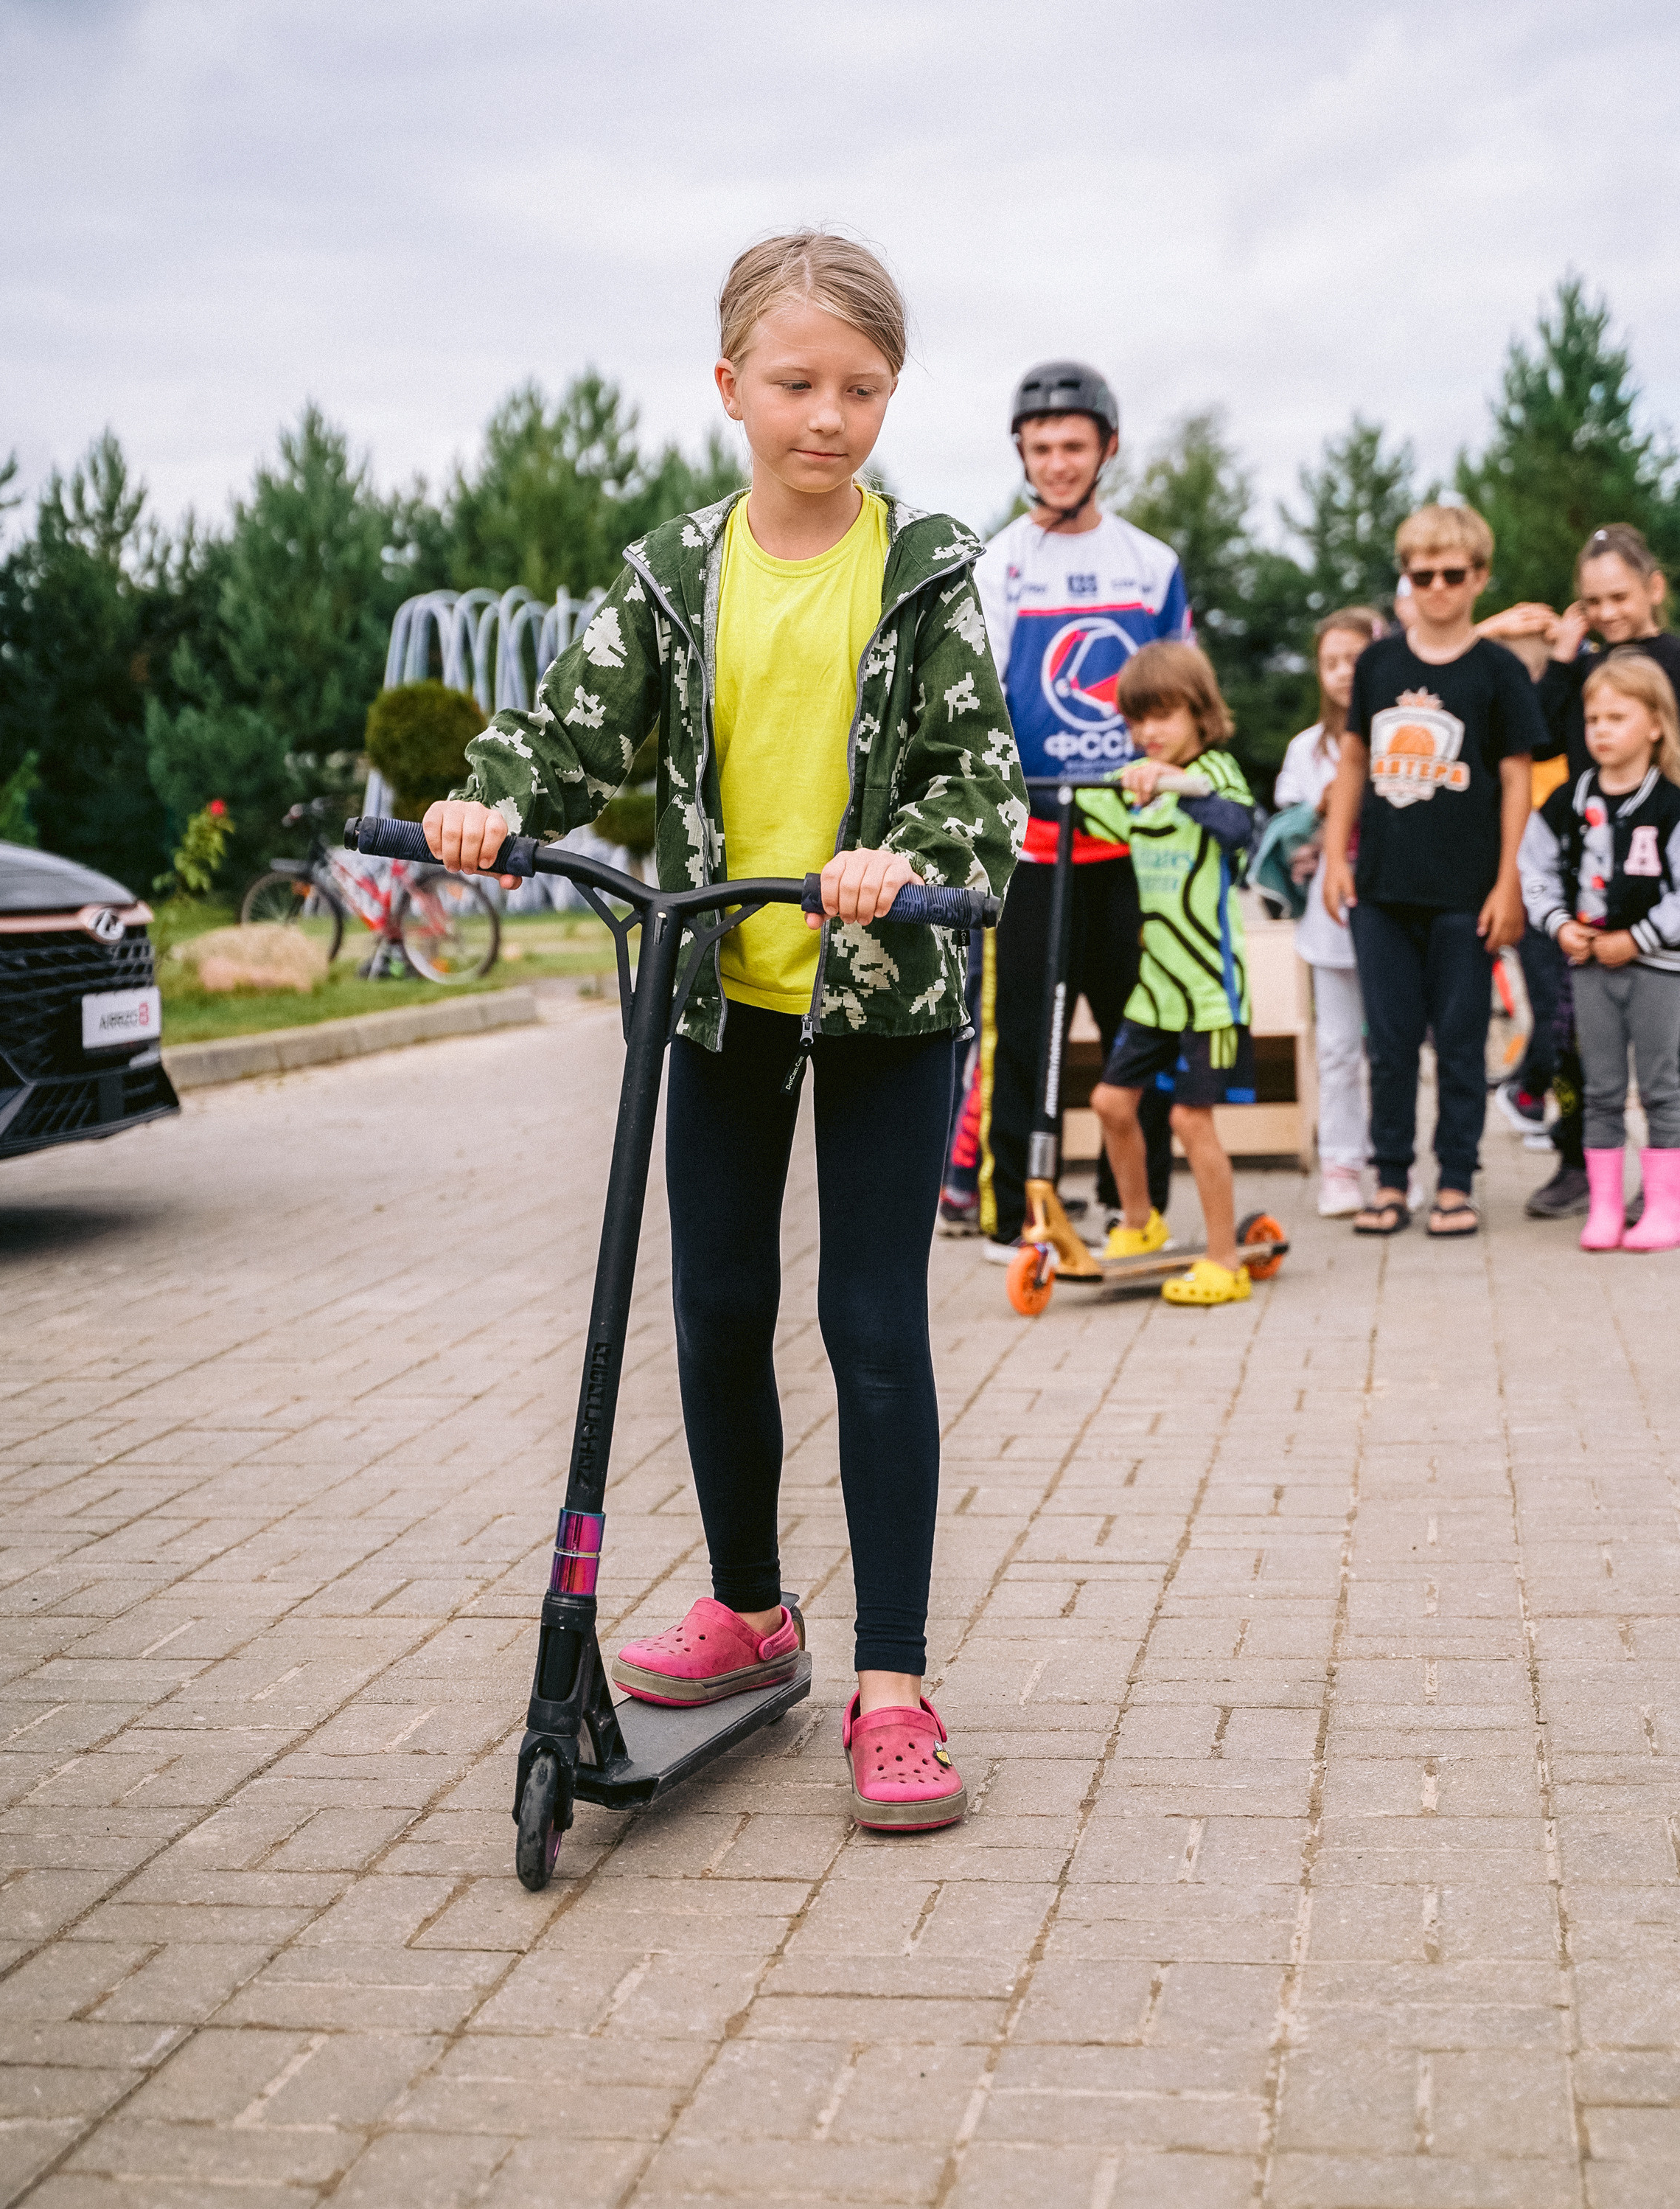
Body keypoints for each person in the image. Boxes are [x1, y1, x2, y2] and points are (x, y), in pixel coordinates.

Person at [422, 232, 1025, 1834]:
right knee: (713, 1308)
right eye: (796, 383)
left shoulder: (925, 566)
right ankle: (751, 1609)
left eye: (861, 389)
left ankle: (889, 1683)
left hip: (884, 984)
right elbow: (568, 730)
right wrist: (492, 801)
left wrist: (902, 856)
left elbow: (981, 780)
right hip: (716, 986)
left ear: (890, 396)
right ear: (729, 387)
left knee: (867, 1322)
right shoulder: (672, 572)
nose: (827, 416)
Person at [975, 361, 1190, 1262]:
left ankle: (1131, 1206)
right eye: (1040, 448)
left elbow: (1181, 694)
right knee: (1025, 1035)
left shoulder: (1149, 564)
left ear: (1106, 448)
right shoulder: (1000, 562)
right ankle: (1013, 1213)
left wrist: (1170, 769)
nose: (1056, 462)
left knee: (1143, 1028)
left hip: (1133, 842)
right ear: (1022, 454)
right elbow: (980, 699)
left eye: (1072, 445)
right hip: (1037, 842)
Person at [1322, 501, 1546, 1240]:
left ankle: (1455, 1180)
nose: (1438, 588)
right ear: (1406, 578)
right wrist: (1335, 856)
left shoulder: (1498, 671)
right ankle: (1390, 1180)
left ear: (1478, 576)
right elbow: (1353, 759)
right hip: (1382, 889)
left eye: (1452, 574)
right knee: (1387, 1046)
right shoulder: (1378, 663)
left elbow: (1515, 779)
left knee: (1458, 1042)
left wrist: (1508, 881)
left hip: (1467, 892)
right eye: (1423, 575)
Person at [1482, 525, 1680, 1216]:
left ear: (1653, 588)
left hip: (1660, 889)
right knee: (1568, 1037)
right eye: (1592, 601)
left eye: (1619, 596)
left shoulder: (1675, 662)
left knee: (1663, 1056)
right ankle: (1575, 1164)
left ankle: (1662, 1183)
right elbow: (1534, 740)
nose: (1606, 612)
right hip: (1580, 887)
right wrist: (1563, 662)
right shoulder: (1579, 670)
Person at [1076, 642, 1258, 1303]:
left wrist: (1174, 785)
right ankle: (1139, 1223)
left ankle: (1224, 1261)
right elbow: (1075, 809)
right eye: (1136, 719)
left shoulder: (1215, 770)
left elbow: (1236, 826)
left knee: (1188, 1120)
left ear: (1199, 713)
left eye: (1163, 716)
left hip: (1210, 991)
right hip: (1156, 991)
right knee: (1109, 1103)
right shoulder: (1135, 781)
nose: (1148, 732)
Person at [1519, 654, 1680, 1251]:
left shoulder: (1670, 805)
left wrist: (1636, 939)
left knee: (1662, 1088)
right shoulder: (1567, 800)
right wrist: (1559, 924)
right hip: (1588, 968)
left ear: (1655, 725)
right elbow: (1533, 869)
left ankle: (1664, 1208)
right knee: (1599, 1089)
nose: (1601, 731)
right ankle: (1605, 1208)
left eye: (1617, 717)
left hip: (1658, 969)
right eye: (1592, 720)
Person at [1274, 609, 1384, 1217]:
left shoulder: (1401, 734)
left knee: (1391, 1049)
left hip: (1395, 912)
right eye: (1331, 662)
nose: (1344, 673)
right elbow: (1285, 838)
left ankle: (1393, 1162)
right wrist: (1321, 811)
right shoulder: (1305, 749)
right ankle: (1341, 1164)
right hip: (1331, 918)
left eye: (1355, 660)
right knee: (1338, 1047)